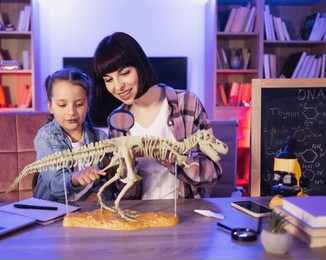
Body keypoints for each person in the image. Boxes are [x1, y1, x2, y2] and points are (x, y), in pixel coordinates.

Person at [92, 31, 223, 199]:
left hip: (187, 214)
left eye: (124, 73)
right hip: (141, 216)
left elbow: (212, 174)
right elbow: (126, 194)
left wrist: (170, 158)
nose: (118, 87)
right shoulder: (117, 120)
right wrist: (129, 166)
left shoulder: (187, 103)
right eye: (108, 80)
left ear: (139, 65)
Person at [33, 67, 114, 202]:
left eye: (79, 104)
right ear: (51, 106)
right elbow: (55, 185)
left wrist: (99, 194)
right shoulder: (45, 138)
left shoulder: (101, 138)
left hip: (88, 212)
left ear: (88, 104)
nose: (71, 112)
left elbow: (108, 180)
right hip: (53, 210)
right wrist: (76, 178)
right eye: (62, 105)